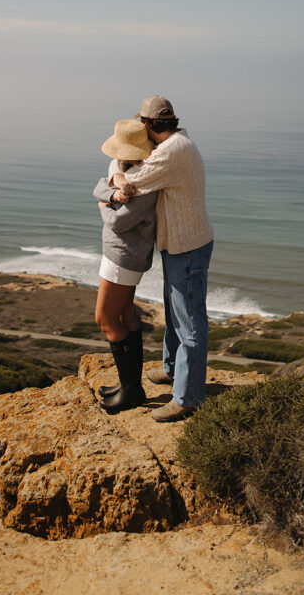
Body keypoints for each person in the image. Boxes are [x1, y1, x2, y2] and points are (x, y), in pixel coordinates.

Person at [111, 96, 214, 423]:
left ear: (146, 124)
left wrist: (114, 175)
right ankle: (172, 370)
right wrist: (120, 166)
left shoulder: (170, 153)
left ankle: (188, 397)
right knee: (175, 312)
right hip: (182, 243)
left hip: (187, 246)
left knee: (189, 322)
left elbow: (133, 183)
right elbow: (133, 166)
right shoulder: (177, 142)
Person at [93, 118, 158, 414]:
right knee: (125, 315)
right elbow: (100, 184)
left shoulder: (144, 180)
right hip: (121, 254)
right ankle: (130, 385)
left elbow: (118, 222)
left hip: (124, 255)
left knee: (105, 319)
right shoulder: (125, 168)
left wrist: (104, 205)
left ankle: (132, 390)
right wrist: (110, 192)